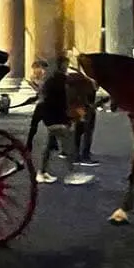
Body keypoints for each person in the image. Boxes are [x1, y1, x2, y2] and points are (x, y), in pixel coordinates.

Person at [32, 58, 94, 186]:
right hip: (57, 117)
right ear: (62, 66)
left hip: (50, 116)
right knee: (68, 146)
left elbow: (46, 98)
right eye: (66, 65)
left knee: (49, 146)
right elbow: (65, 101)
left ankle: (41, 172)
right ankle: (71, 174)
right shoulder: (62, 81)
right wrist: (70, 116)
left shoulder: (51, 80)